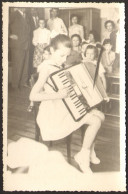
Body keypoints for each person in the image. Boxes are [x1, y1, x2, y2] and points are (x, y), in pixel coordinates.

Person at [30, 34, 106, 173]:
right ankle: (83, 156)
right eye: (61, 55)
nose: (64, 59)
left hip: (65, 106)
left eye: (67, 56)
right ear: (52, 51)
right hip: (54, 114)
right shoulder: (46, 68)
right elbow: (33, 95)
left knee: (101, 116)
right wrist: (58, 95)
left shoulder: (59, 64)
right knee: (95, 122)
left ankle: (88, 152)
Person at [9, 8, 31, 89]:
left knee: (25, 65)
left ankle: (23, 83)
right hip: (17, 45)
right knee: (17, 65)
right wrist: (9, 35)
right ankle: (15, 85)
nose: (25, 7)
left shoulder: (26, 16)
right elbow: (4, 24)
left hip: (26, 44)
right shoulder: (14, 14)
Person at [27, 46, 51, 112]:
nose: (44, 55)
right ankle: (32, 103)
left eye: (46, 54)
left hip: (47, 81)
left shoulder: (50, 62)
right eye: (44, 53)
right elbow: (38, 69)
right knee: (37, 88)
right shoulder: (45, 62)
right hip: (42, 82)